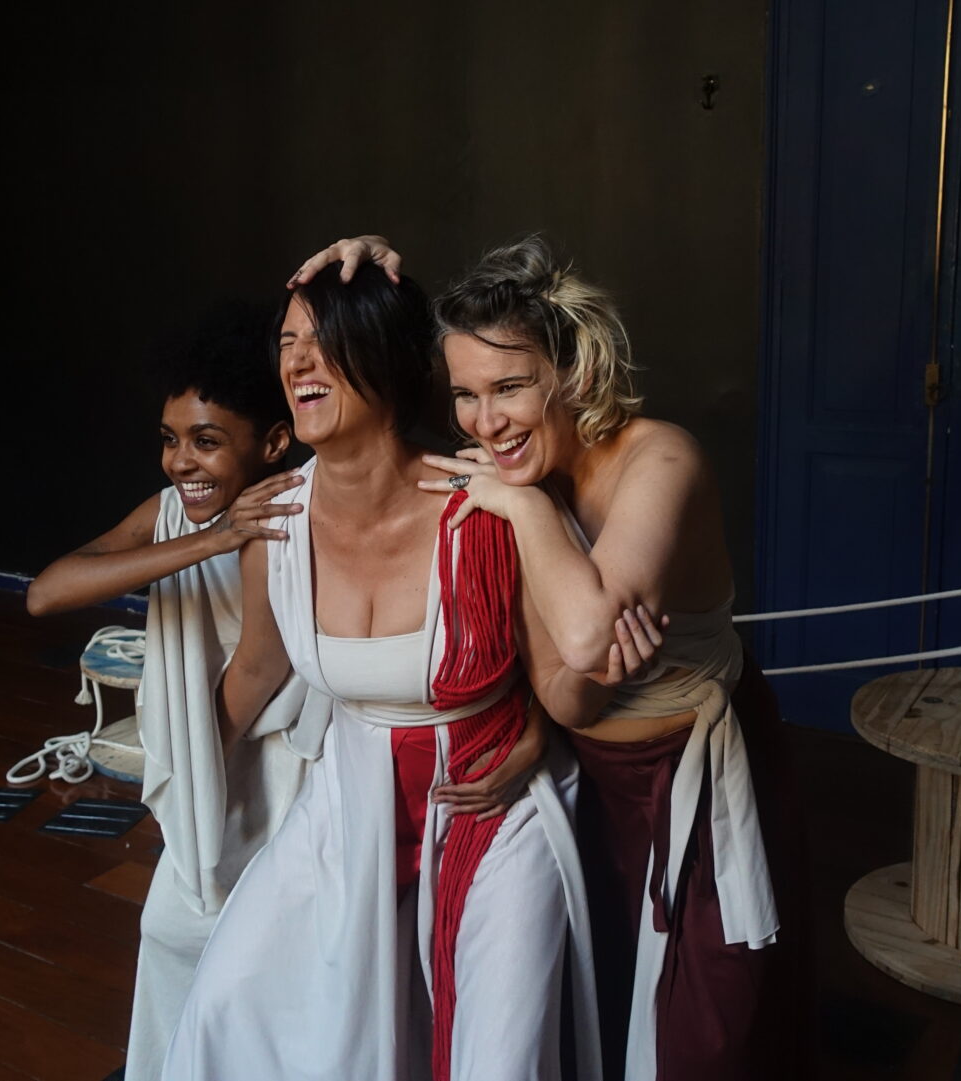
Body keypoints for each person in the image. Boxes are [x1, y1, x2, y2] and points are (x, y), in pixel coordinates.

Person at [290, 235, 807, 1079]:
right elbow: (571, 695)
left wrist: (525, 512)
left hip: (702, 776)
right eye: (465, 395)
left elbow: (585, 643)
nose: (485, 421)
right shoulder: (513, 475)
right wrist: (365, 252)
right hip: (597, 781)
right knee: (606, 1021)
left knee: (708, 1042)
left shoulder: (660, 459)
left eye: (510, 387)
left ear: (574, 372)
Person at [163, 261, 600, 1081]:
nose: (297, 361)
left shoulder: (486, 504)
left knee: (498, 1058)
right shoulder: (276, 521)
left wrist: (538, 728)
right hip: (349, 803)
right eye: (287, 342)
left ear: (387, 358)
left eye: (323, 340)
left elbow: (563, 674)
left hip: (491, 802)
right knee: (227, 1006)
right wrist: (180, 792)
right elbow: (254, 671)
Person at [25, 302, 319, 1081]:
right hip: (212, 757)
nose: (181, 461)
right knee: (176, 936)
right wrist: (209, 537)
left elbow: (258, 670)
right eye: (170, 439)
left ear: (273, 442)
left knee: (253, 951)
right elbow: (47, 592)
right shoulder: (174, 515)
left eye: (207, 441)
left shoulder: (287, 514)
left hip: (273, 766)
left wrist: (193, 780)